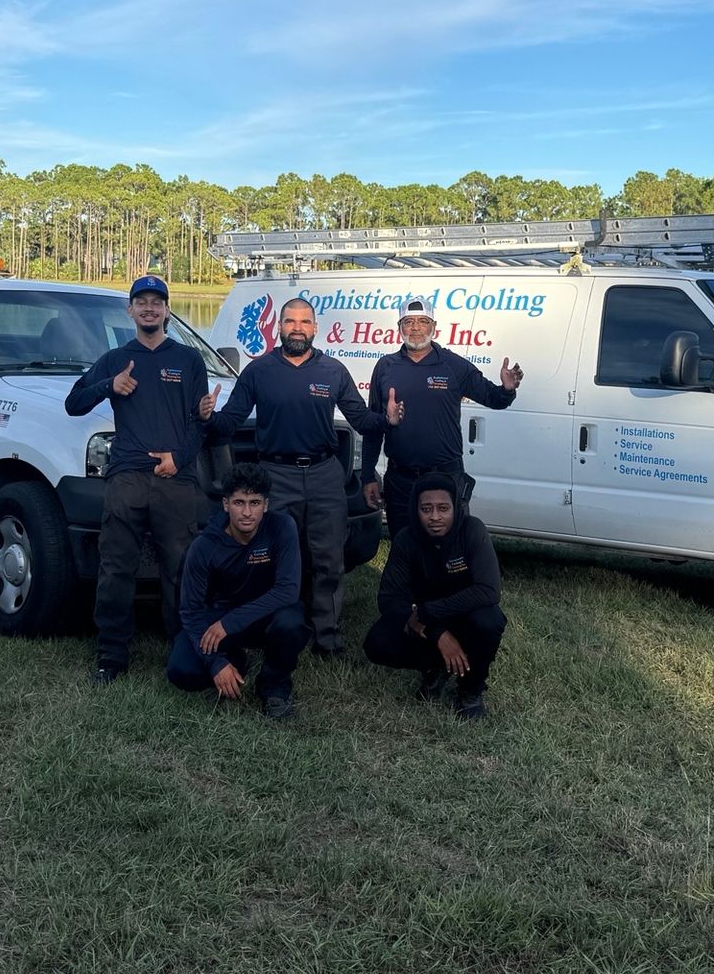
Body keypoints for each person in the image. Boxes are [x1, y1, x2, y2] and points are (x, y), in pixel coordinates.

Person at [206, 297, 394, 659]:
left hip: (325, 475)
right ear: (279, 327)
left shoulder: (333, 371)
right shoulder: (258, 371)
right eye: (290, 321)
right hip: (275, 475)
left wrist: (388, 419)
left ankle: (327, 638)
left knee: (328, 559)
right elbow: (229, 422)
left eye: (304, 322)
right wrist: (207, 417)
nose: (297, 328)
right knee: (273, 558)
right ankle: (277, 629)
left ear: (314, 328)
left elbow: (362, 421)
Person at [65, 274, 216, 685]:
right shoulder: (116, 359)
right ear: (129, 310)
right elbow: (73, 403)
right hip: (126, 477)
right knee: (116, 568)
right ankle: (111, 656)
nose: (150, 308)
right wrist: (107, 386)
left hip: (175, 479)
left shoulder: (188, 360)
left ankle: (183, 649)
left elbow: (200, 424)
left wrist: (178, 459)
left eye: (157, 302)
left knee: (181, 569)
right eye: (141, 302)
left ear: (167, 310)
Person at [362, 296, 524, 536]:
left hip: (446, 478)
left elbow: (494, 399)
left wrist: (508, 390)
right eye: (408, 322)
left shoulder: (454, 365)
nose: (416, 328)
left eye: (423, 321)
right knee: (404, 549)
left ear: (434, 327)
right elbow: (373, 427)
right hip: (400, 480)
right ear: (399, 328)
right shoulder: (385, 367)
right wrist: (368, 476)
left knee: (449, 553)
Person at [363, 471, 506, 721]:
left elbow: (489, 590)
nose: (435, 517)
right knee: (378, 642)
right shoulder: (406, 539)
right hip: (426, 624)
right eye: (426, 509)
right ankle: (435, 667)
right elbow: (389, 599)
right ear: (415, 510)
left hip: (460, 617)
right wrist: (437, 632)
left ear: (456, 508)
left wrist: (429, 612)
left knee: (489, 621)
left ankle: (470, 689)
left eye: (443, 508)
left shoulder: (472, 530)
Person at [167, 463, 306, 720]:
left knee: (292, 622)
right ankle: (232, 661)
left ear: (265, 505)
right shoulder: (204, 546)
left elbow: (288, 591)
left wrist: (230, 623)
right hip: (218, 619)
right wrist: (215, 663)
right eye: (239, 502)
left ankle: (274, 689)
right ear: (225, 504)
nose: (247, 513)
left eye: (254, 503)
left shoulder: (281, 527)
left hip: (262, 618)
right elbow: (190, 611)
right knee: (181, 671)